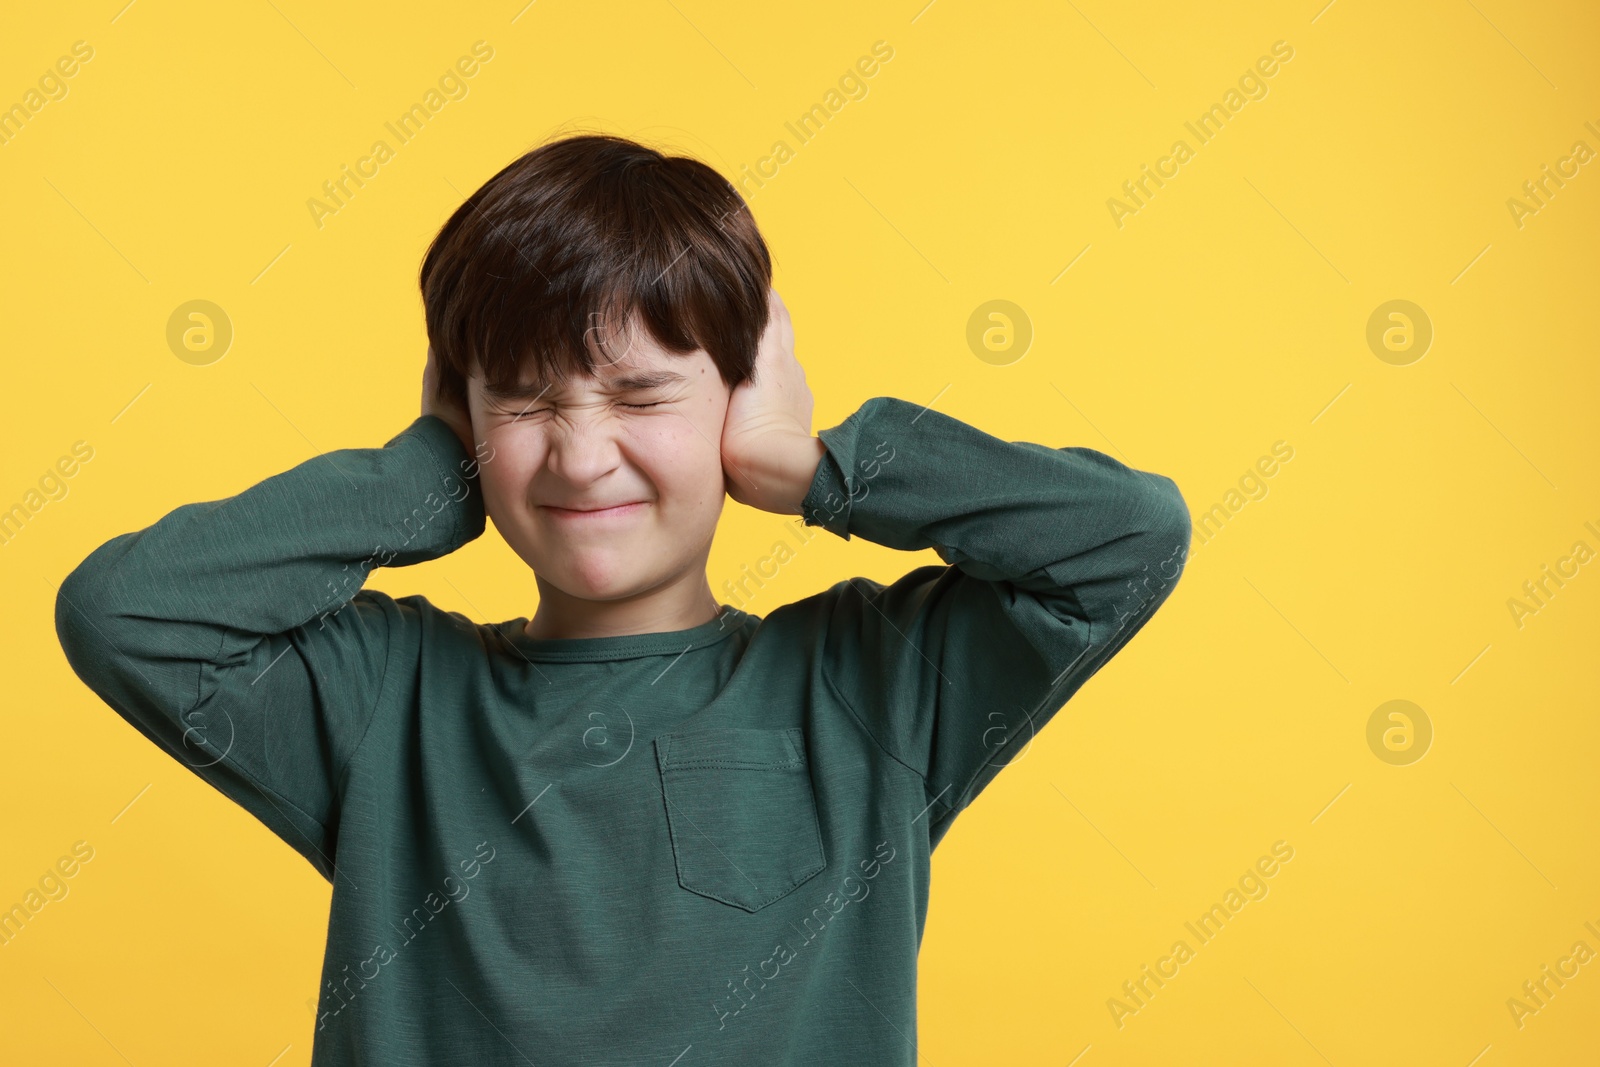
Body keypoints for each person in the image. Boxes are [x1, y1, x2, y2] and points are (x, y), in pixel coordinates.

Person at [55, 132, 1192, 1065]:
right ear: (461, 412)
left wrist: (814, 465)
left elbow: (1127, 537)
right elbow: (123, 610)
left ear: (741, 395)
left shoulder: (869, 685)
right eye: (523, 401)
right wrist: (422, 478)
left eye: (641, 394)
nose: (581, 456)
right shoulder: (382, 701)